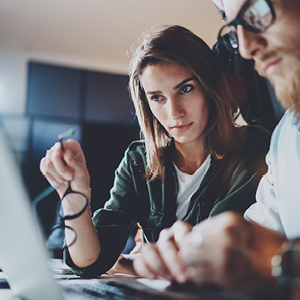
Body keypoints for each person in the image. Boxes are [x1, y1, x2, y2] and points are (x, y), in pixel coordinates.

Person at [40, 25, 270, 278]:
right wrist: (74, 193)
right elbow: (89, 262)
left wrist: (133, 265)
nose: (174, 113)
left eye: (185, 89)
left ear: (210, 87)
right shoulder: (138, 161)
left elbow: (209, 249)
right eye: (157, 97)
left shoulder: (252, 147)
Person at [133, 0, 300, 298]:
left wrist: (281, 262)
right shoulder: (286, 136)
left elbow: (273, 255)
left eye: (257, 12)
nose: (246, 49)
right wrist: (196, 254)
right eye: (235, 28)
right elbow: (256, 233)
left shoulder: (254, 145)